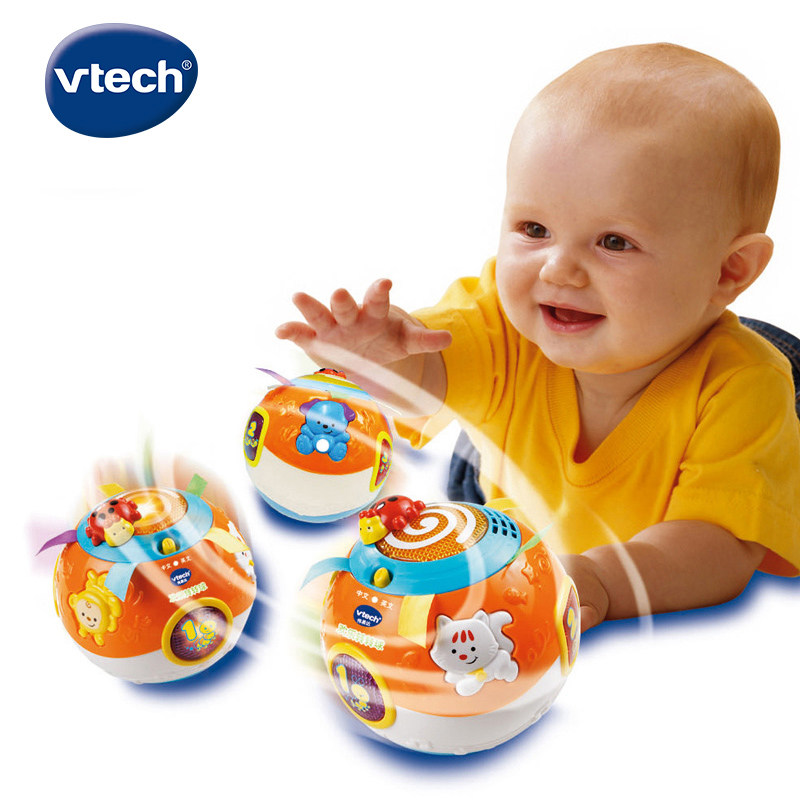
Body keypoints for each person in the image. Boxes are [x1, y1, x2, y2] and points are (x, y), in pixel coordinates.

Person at [276, 43, 800, 631]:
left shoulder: (743, 386)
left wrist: (601, 579)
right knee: (468, 468)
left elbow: (716, 548)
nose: (558, 270)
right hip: (503, 488)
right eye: (534, 228)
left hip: (732, 447)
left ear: (729, 271)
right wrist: (378, 363)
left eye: (614, 242)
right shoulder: (504, 316)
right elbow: (428, 374)